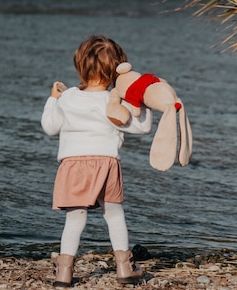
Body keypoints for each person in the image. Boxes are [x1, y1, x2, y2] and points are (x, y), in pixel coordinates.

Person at [40, 35, 152, 287]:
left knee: (75, 219)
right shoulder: (113, 102)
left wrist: (53, 99)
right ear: (117, 70)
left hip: (73, 165)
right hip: (106, 163)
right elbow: (142, 128)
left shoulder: (67, 97)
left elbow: (49, 127)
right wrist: (142, 103)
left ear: (79, 66)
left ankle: (64, 273)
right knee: (114, 216)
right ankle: (124, 267)